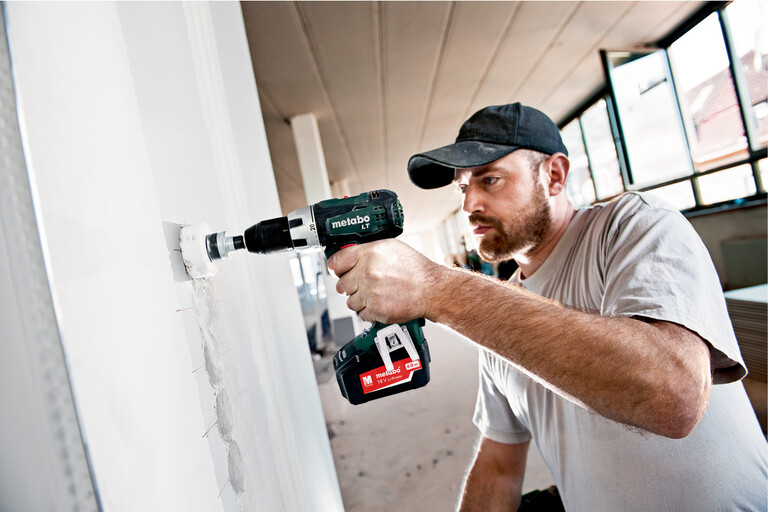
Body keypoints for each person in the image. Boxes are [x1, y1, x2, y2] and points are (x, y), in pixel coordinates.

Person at [328, 103, 768, 511]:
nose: (469, 204)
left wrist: (437, 288)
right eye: (463, 187)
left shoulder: (634, 225)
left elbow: (674, 395)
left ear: (554, 176)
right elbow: (499, 465)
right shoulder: (496, 317)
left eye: (489, 179)